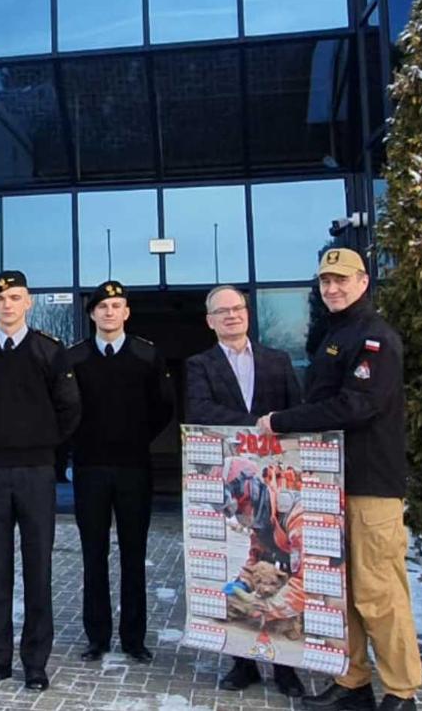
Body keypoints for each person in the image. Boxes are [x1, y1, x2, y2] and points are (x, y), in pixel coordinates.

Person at [256, 249, 417, 711]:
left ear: (363, 282)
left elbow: (356, 406)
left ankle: (402, 691)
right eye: (326, 281)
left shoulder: (375, 338)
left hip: (370, 485)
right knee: (340, 592)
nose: (333, 289)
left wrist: (283, 421)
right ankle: (353, 683)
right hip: (330, 484)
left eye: (342, 280)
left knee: (378, 592)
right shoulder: (336, 334)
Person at [0, 270, 81, 691]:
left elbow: (69, 410)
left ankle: (35, 662)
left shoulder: (49, 350)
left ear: (29, 303)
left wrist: (39, 444)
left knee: (37, 569)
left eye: (16, 297)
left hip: (35, 472)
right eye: (1, 298)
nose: (8, 305)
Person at [185, 283, 307, 696]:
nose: (231, 316)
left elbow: (295, 410)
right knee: (247, 577)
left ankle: (287, 669)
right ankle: (244, 664)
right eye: (222, 311)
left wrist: (272, 427)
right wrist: (254, 426)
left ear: (248, 314)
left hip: (277, 474)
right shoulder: (199, 365)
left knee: (284, 575)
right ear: (210, 321)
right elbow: (198, 409)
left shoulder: (278, 360)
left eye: (237, 309)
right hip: (234, 468)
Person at [65, 281, 172, 666]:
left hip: (133, 468)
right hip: (90, 468)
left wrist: (135, 438)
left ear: (126, 312)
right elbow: (66, 411)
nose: (110, 312)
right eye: (103, 306)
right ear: (92, 313)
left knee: (133, 554)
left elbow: (163, 407)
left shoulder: (146, 355)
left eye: (117, 305)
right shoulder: (74, 358)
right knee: (93, 555)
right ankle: (97, 636)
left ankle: (133, 638)